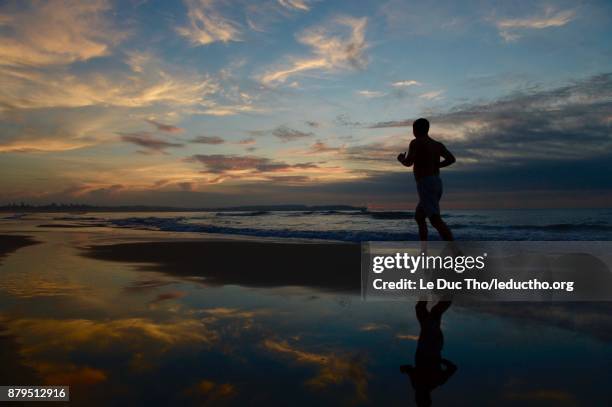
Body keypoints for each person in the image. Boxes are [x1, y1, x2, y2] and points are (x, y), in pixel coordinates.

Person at [397, 118, 455, 241]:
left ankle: (456, 253)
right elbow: (451, 159)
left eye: (414, 129)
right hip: (436, 182)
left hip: (425, 183)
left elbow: (408, 162)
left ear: (416, 129)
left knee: (435, 219)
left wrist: (401, 158)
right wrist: (436, 165)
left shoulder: (416, 142)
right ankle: (424, 251)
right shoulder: (437, 145)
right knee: (419, 216)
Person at [400, 300, 456, 407]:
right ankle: (451, 291)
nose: (417, 397)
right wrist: (440, 360)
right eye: (419, 399)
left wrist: (404, 369)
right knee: (434, 312)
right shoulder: (436, 381)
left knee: (420, 309)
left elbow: (410, 370)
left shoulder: (417, 385)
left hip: (423, 344)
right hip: (433, 345)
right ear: (426, 398)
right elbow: (453, 368)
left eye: (417, 399)